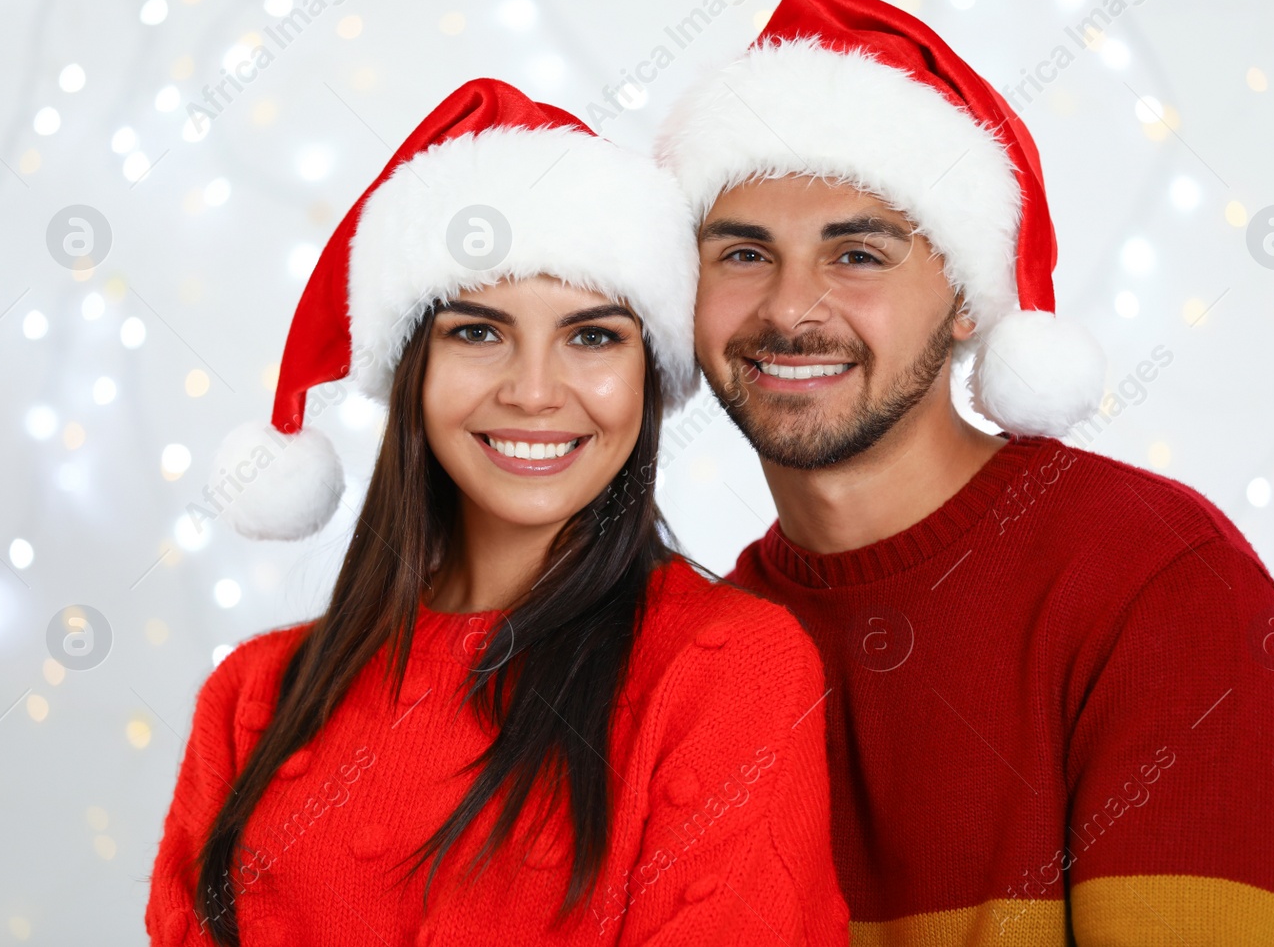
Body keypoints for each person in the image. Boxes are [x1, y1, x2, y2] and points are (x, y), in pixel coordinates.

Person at [656, 0, 1274, 945]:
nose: (792, 310)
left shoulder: (1158, 584)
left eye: (859, 256)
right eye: (745, 255)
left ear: (969, 299)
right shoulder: (718, 648)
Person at [145, 79, 848, 946]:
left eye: (593, 336)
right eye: (478, 333)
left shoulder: (730, 672)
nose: (534, 392)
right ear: (416, 371)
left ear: (647, 378)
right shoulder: (252, 697)